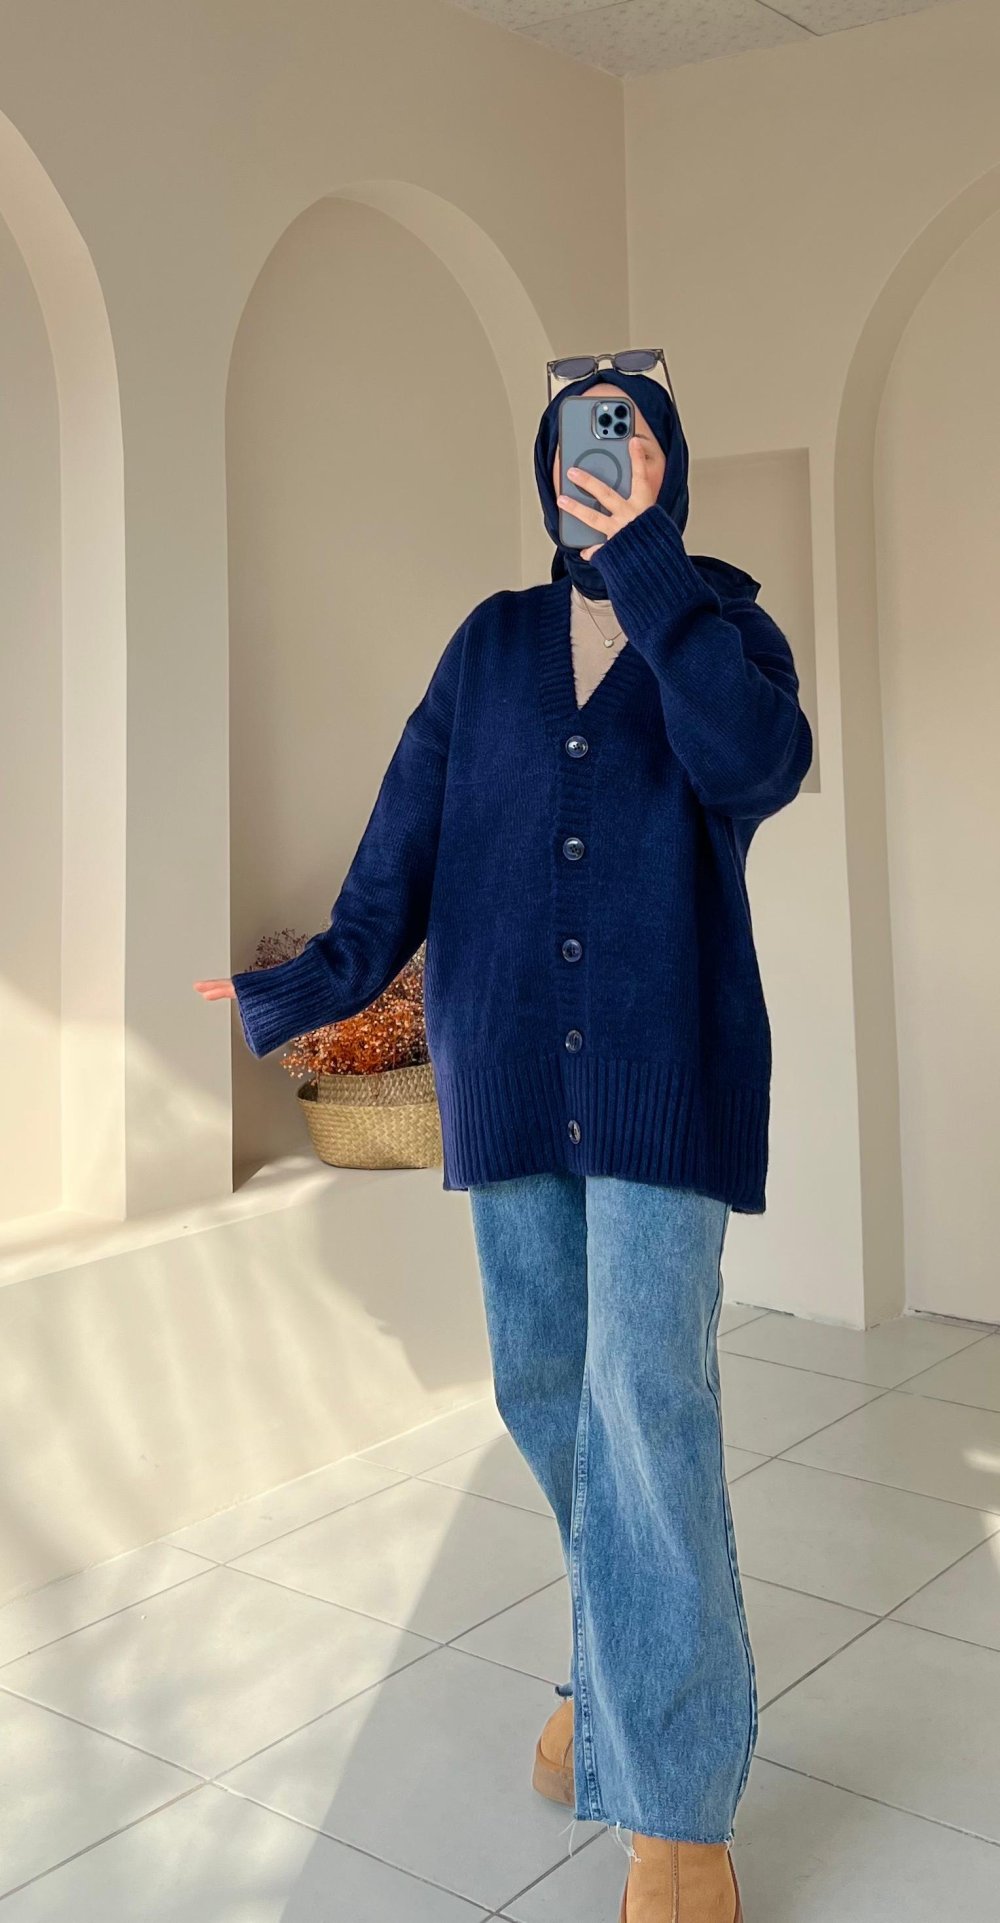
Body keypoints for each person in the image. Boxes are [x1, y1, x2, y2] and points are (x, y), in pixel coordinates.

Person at [195, 359, 812, 1923]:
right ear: (541, 472)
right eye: (573, 443)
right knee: (547, 1390)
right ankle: (610, 1678)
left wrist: (651, 567)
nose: (592, 461)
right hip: (510, 1074)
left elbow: (759, 766)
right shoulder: (486, 646)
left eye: (626, 438)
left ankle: (675, 1805)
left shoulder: (724, 631)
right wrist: (304, 987)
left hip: (666, 1081)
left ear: (669, 468)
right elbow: (401, 845)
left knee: (645, 1401)